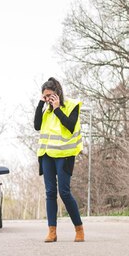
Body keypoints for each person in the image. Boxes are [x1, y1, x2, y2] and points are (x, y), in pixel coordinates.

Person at [34, 77, 84, 242]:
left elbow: (70, 125)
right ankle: (52, 232)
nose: (48, 99)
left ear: (58, 93)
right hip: (47, 155)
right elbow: (37, 125)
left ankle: (79, 229)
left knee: (64, 192)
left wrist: (57, 109)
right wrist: (41, 104)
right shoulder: (46, 110)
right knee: (50, 193)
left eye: (49, 95)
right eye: (45, 96)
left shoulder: (72, 105)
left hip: (64, 155)